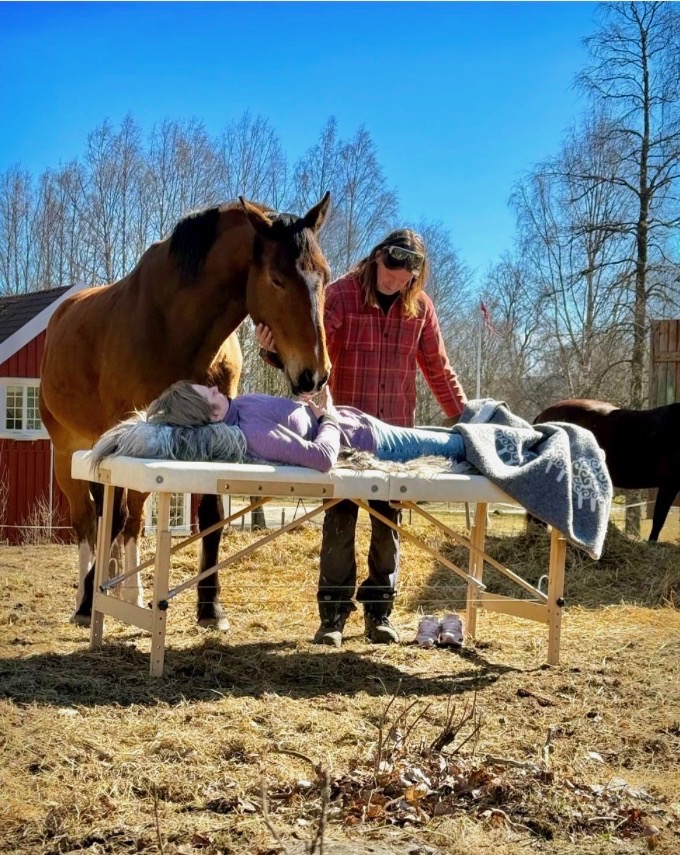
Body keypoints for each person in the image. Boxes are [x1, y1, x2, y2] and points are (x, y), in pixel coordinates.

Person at [255, 229, 467, 648]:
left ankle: (379, 615)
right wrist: (273, 350)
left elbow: (438, 370)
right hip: (345, 432)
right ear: (376, 258)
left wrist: (465, 418)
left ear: (416, 275)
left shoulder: (420, 309)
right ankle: (332, 618)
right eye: (391, 262)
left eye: (407, 268)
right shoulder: (343, 295)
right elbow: (312, 347)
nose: (396, 274)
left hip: (393, 439)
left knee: (387, 526)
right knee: (340, 520)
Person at [145, 381, 465, 473]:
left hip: (364, 425)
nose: (217, 388)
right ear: (212, 417)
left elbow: (292, 422)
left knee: (453, 436)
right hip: (371, 442)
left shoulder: (241, 406)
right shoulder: (251, 432)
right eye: (212, 394)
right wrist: (328, 417)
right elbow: (321, 458)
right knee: (459, 446)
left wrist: (303, 405)